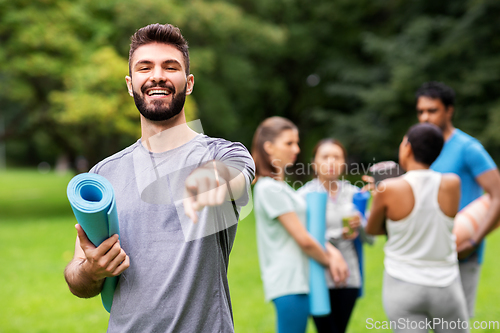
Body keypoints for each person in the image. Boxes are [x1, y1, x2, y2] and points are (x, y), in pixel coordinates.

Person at [64, 23, 255, 332]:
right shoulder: (102, 175)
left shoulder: (220, 155)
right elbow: (77, 277)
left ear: (188, 83)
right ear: (130, 84)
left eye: (170, 67)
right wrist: (92, 270)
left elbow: (240, 177)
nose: (157, 76)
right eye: (145, 67)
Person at [366, 123, 469, 333]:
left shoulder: (389, 188)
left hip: (403, 284)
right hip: (445, 284)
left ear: (408, 148)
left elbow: (373, 229)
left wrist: (378, 197)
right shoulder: (452, 184)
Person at [252, 117, 349, 333]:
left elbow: (308, 232)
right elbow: (304, 239)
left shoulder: (282, 188)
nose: (296, 149)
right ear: (269, 147)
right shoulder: (268, 188)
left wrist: (332, 252)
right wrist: (330, 261)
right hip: (289, 281)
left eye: (296, 142)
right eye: (289, 143)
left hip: (299, 280)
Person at [415, 81, 500, 317]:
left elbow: (498, 195)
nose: (425, 118)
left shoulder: (468, 148)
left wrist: (472, 242)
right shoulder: (417, 150)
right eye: (421, 111)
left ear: (449, 111)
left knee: (454, 324)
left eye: (432, 110)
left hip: (461, 253)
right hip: (425, 252)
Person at [298, 138, 368, 333]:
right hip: (317, 275)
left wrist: (359, 224)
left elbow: (370, 238)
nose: (331, 162)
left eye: (336, 157)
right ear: (314, 163)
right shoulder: (302, 196)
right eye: (325, 157)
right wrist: (331, 245)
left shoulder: (355, 194)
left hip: (349, 276)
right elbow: (301, 235)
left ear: (344, 163)